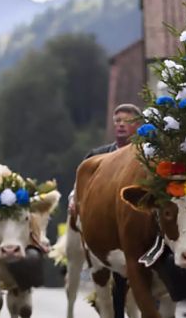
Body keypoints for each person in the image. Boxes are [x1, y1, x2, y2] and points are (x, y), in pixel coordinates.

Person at [70, 104, 142, 318]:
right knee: (112, 286)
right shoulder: (98, 157)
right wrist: (74, 200)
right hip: (108, 229)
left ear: (138, 126)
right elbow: (79, 186)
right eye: (117, 120)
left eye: (126, 121)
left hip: (137, 227)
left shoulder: (147, 156)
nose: (120, 125)